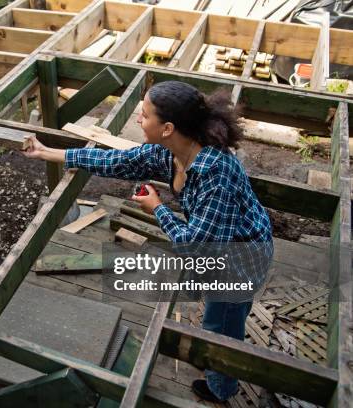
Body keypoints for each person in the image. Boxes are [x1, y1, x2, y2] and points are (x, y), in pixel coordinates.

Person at [23, 81, 274, 402]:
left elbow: (196, 249)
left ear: (168, 128)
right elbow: (119, 162)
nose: (139, 120)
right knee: (221, 312)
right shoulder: (173, 152)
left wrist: (158, 209)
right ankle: (219, 356)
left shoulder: (216, 176)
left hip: (239, 261)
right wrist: (46, 152)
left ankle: (221, 388)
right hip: (220, 243)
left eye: (144, 115)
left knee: (220, 325)